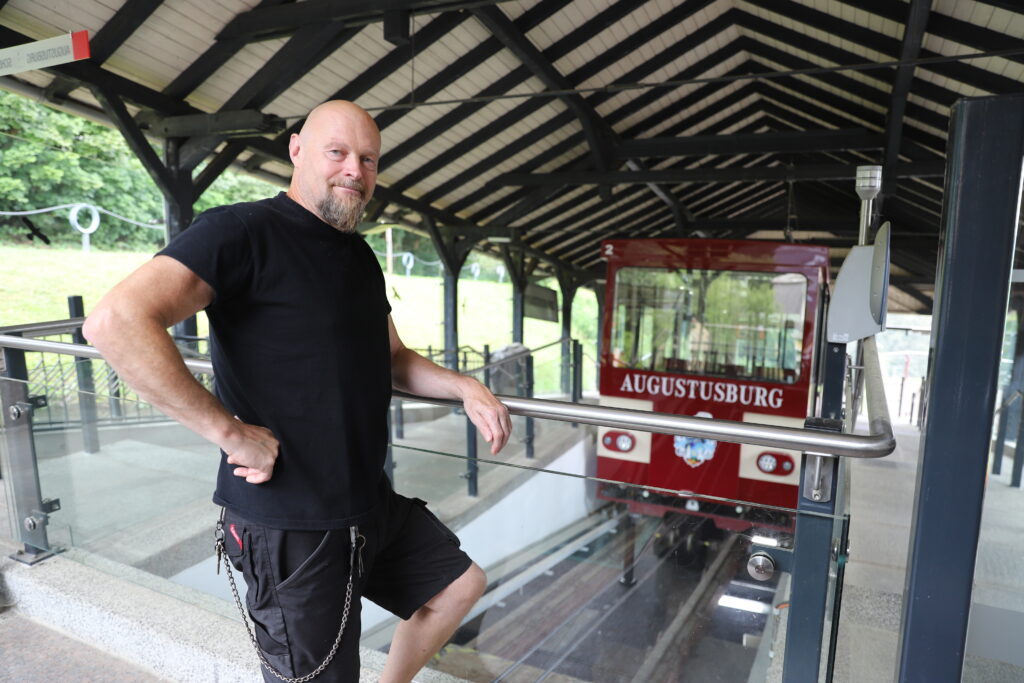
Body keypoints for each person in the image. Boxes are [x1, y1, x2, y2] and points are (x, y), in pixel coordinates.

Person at [83, 100, 512, 683]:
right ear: (297, 151)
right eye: (338, 153)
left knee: (459, 587)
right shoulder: (239, 230)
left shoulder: (359, 256)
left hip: (368, 504)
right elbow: (116, 321)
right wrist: (228, 433)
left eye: (368, 159)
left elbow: (391, 359)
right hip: (291, 524)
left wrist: (464, 386)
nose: (354, 171)